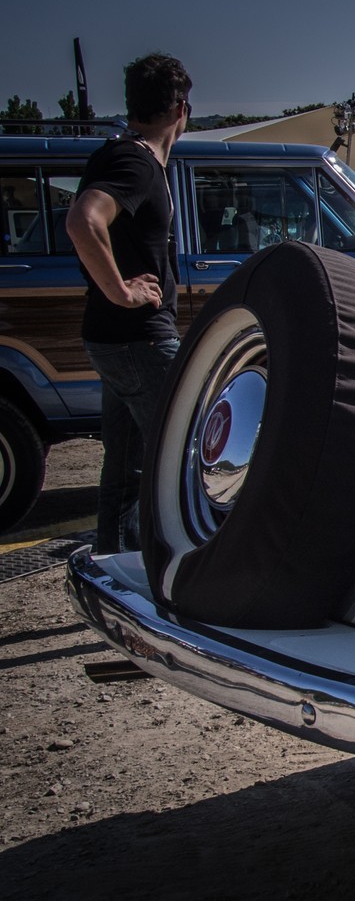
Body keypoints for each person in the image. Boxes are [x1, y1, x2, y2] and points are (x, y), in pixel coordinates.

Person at [65, 53, 192, 553]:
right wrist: (122, 290)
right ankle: (199, 578)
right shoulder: (135, 163)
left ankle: (116, 575)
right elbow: (83, 221)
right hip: (140, 338)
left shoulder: (117, 154)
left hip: (110, 339)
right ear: (182, 109)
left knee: (125, 467)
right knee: (189, 452)